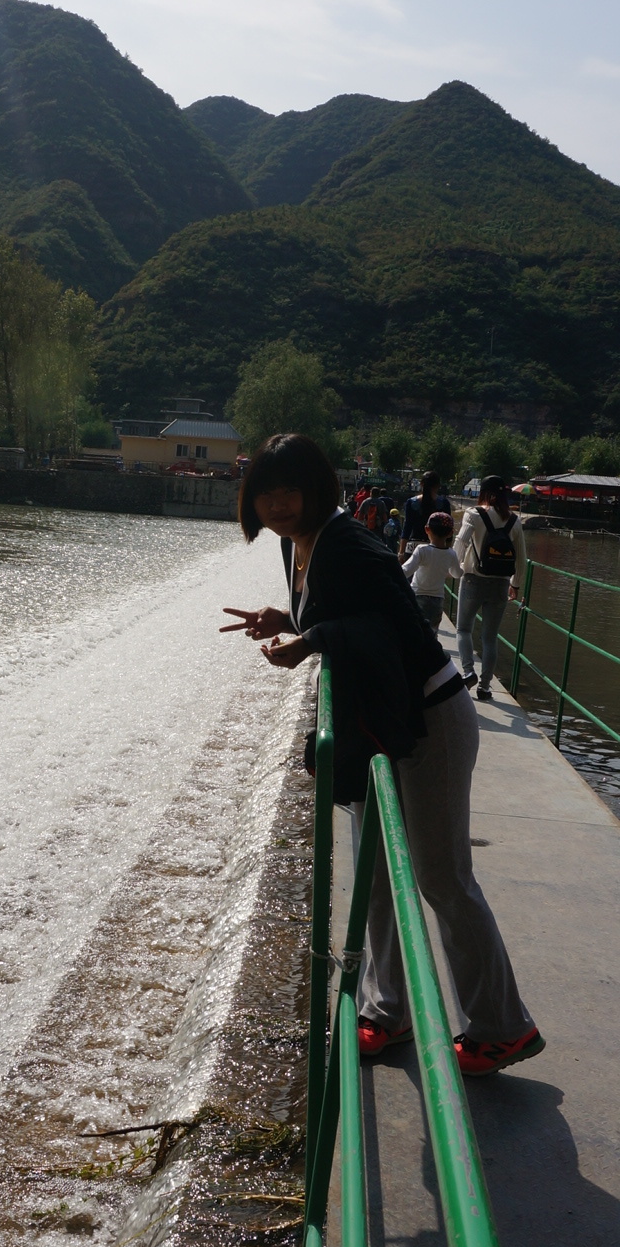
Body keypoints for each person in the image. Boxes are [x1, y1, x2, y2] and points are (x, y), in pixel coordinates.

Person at [221, 432, 543, 1077]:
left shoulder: (352, 545)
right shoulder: (300, 544)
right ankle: (385, 1012)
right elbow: (347, 614)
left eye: (291, 490)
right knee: (372, 880)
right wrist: (290, 619)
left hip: (427, 721)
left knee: (442, 879)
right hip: (381, 722)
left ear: (319, 491)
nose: (278, 503)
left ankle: (501, 1027)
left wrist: (311, 640)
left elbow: (398, 628)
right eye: (266, 491)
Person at [454, 475, 527, 703]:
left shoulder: (474, 515)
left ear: (483, 493)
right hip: (500, 583)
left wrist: (455, 570)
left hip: (473, 580)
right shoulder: (514, 520)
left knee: (464, 630)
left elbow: (460, 542)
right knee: (490, 637)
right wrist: (515, 584)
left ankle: (468, 672)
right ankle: (485, 688)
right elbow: (522, 560)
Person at [401, 511, 461, 630]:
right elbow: (457, 574)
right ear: (451, 533)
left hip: (418, 596)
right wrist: (463, 566)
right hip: (437, 600)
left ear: (427, 529)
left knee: (414, 630)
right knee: (432, 634)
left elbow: (406, 570)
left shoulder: (422, 550)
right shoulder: (451, 554)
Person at [399, 470, 452, 557]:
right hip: (436, 548)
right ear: (438, 486)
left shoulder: (411, 502)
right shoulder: (443, 503)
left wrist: (401, 552)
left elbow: (407, 528)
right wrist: (448, 550)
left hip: (412, 547)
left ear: (421, 484)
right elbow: (448, 529)